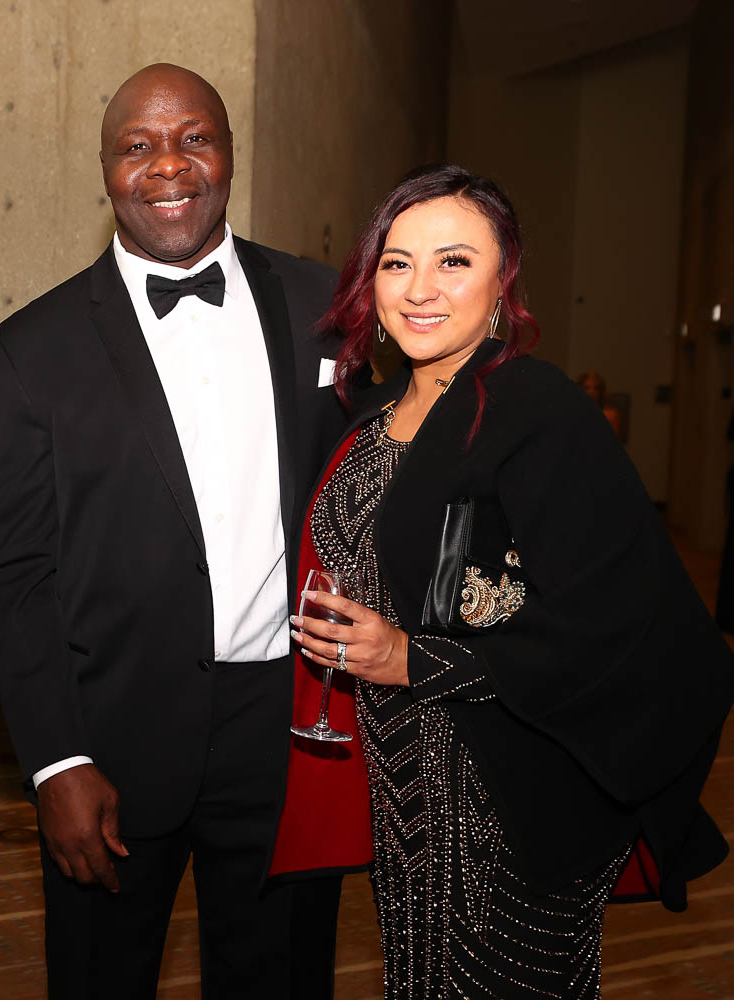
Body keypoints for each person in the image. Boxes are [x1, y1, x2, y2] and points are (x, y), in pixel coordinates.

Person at [289, 163, 733, 996]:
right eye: (396, 262)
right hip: (406, 790)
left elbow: (613, 625)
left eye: (453, 261)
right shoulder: (374, 411)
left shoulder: (536, 409)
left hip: (515, 800)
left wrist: (414, 660)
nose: (420, 287)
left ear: (502, 282)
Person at [0, 63, 351, 998]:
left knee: (282, 978)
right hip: (111, 745)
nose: (168, 165)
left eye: (194, 137)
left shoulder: (328, 310)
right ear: (105, 171)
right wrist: (57, 761)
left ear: (229, 154)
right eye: (137, 146)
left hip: (289, 731)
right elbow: (17, 576)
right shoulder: (32, 348)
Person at [576, 368, 626, 440]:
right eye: (587, 388)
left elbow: (615, 443)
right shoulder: (574, 414)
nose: (592, 392)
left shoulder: (610, 415)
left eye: (596, 388)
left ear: (601, 391)